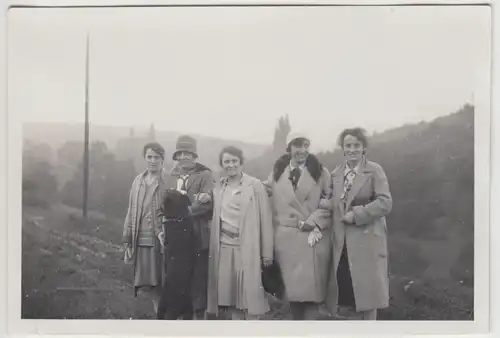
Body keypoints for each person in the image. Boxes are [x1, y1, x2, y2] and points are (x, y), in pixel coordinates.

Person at [324, 127, 392, 320]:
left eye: (356, 145)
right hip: (343, 245)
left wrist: (357, 214)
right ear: (342, 149)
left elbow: (385, 202)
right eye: (348, 145)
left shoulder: (374, 170)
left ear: (364, 148)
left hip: (367, 242)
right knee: (347, 298)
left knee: (368, 299)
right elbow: (334, 202)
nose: (352, 149)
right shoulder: (335, 174)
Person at [265, 133, 332, 320]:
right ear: (289, 148)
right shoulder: (278, 173)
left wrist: (315, 219)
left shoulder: (320, 172)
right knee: (291, 297)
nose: (302, 150)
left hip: (312, 238)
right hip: (286, 240)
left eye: (306, 145)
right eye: (297, 146)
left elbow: (330, 200)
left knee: (311, 299)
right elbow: (263, 189)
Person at [206, 146, 274, 320]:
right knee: (232, 301)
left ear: (241, 163)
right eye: (226, 161)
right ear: (222, 164)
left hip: (248, 249)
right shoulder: (219, 188)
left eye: (234, 161)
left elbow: (265, 219)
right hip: (225, 249)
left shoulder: (255, 186)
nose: (230, 165)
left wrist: (267, 254)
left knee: (250, 301)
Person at [162, 135, 214, 320]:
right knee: (176, 281)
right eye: (181, 153)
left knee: (197, 283)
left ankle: (197, 321)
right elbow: (163, 204)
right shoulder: (169, 176)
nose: (185, 157)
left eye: (189, 153)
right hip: (175, 239)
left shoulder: (205, 175)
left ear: (195, 156)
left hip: (197, 236)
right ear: (176, 156)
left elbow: (208, 205)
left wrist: (182, 211)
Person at [122, 142, 166, 317]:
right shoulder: (138, 181)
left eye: (156, 157)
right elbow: (131, 211)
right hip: (141, 240)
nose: (153, 161)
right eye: (149, 157)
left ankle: (167, 323)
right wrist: (127, 240)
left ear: (162, 159)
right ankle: (159, 320)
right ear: (145, 158)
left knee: (163, 285)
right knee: (150, 286)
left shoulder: (167, 180)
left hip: (161, 240)